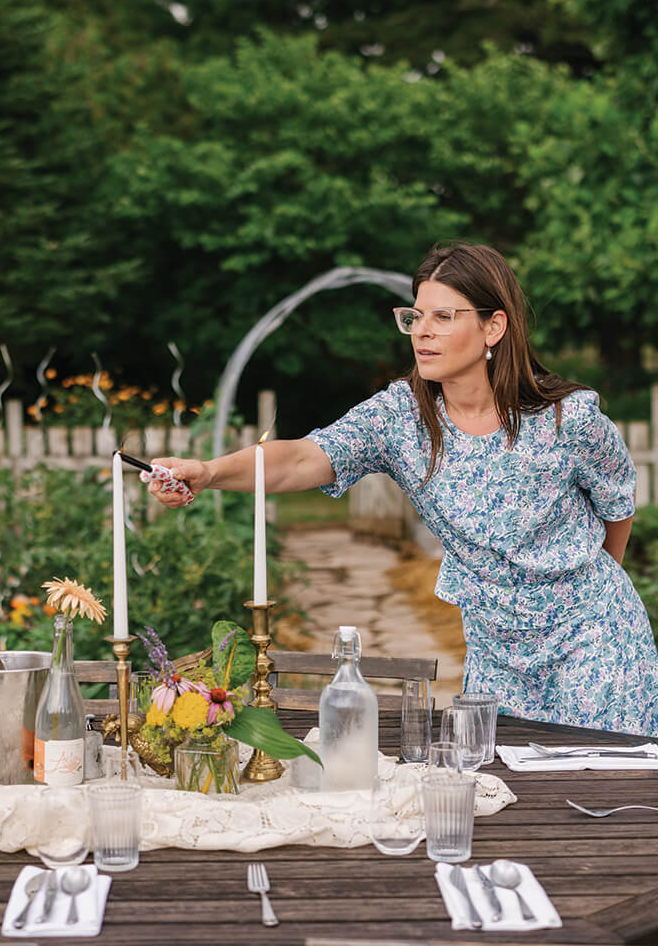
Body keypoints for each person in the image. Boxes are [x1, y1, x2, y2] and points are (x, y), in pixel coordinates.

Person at [148, 242, 658, 736]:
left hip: (594, 641)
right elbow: (303, 457)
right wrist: (209, 472)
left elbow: (616, 507)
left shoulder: (567, 420)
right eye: (414, 317)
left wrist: (588, 595)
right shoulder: (401, 417)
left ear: (493, 327)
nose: (422, 333)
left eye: (444, 317)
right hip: (496, 653)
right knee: (513, 796)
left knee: (602, 789)